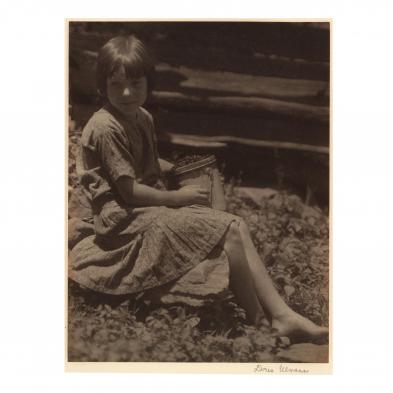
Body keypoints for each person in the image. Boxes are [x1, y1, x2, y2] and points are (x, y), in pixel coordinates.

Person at [69, 35, 328, 342]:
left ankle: (277, 317)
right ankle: (263, 321)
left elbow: (144, 165)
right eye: (116, 85)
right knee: (229, 227)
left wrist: (179, 168)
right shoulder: (104, 127)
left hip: (144, 209)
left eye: (136, 83)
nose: (127, 92)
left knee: (234, 225)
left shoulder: (142, 117)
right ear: (102, 86)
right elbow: (128, 192)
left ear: (148, 83)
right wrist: (178, 198)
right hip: (122, 221)